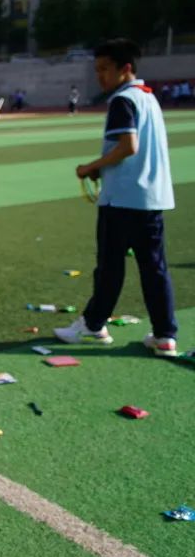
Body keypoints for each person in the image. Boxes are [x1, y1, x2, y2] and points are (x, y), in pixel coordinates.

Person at [55, 38, 178, 358]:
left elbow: (128, 146)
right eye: (97, 70)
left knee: (109, 267)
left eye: (105, 69)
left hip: (122, 198)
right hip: (151, 198)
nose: (100, 76)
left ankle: (94, 325)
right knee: (154, 268)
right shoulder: (149, 98)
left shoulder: (123, 100)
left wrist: (90, 167)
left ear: (126, 69)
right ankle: (165, 334)